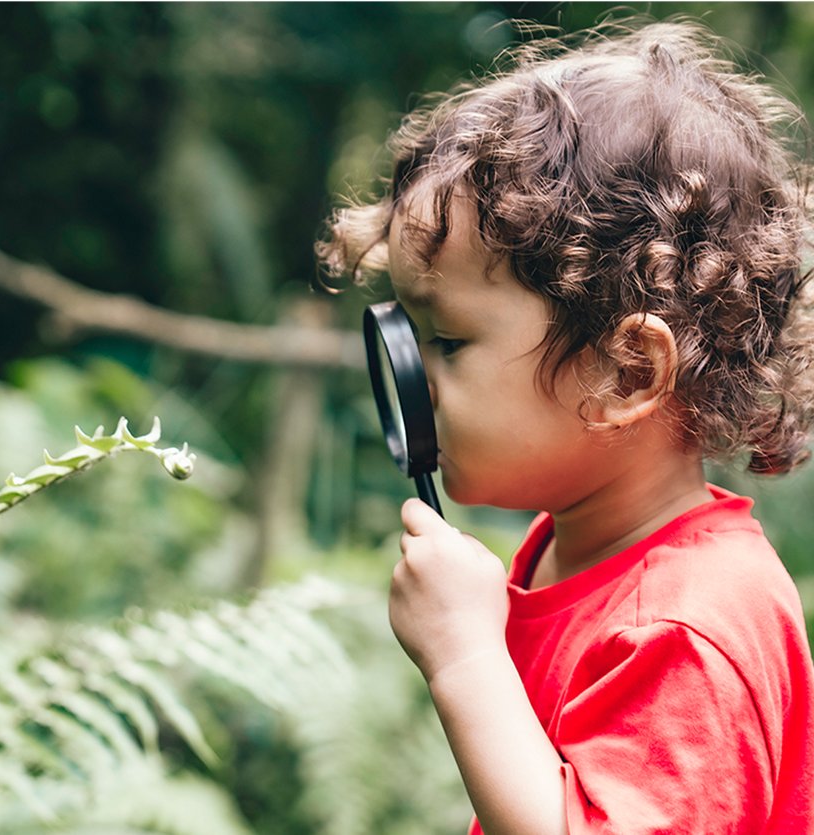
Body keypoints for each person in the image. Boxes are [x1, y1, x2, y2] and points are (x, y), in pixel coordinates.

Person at [318, 19, 814, 834]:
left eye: (447, 342)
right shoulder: (573, 544)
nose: (416, 380)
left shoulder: (683, 628)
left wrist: (466, 658)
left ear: (628, 373)